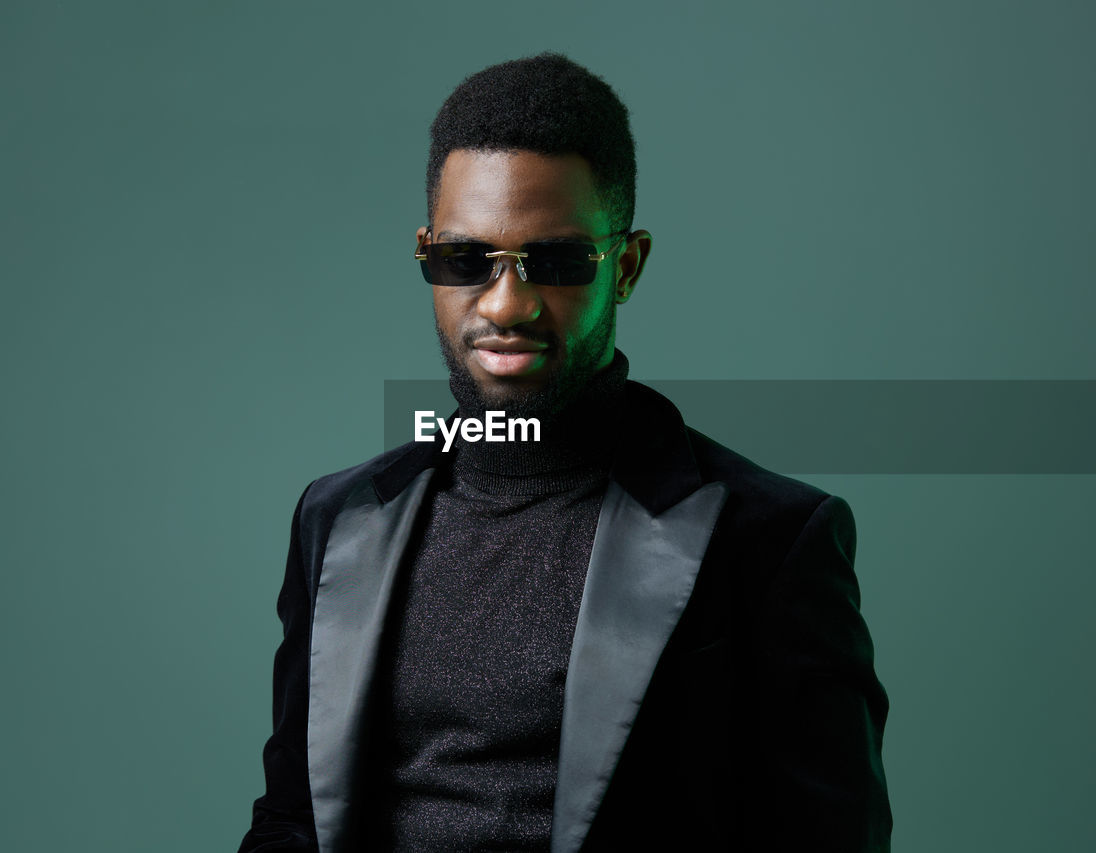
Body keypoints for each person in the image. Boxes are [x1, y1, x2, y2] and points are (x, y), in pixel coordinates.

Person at [237, 53, 891, 853]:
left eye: (555, 261)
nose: (506, 304)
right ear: (426, 256)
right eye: (465, 260)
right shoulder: (338, 520)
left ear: (628, 265)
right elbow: (293, 819)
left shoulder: (770, 539)